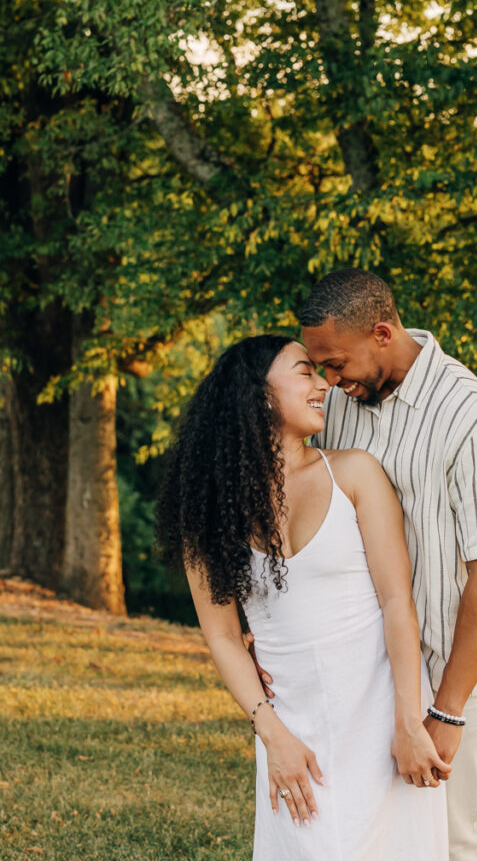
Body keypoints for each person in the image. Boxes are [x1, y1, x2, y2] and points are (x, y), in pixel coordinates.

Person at [155, 334, 449, 861]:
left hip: (380, 708)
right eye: (305, 372)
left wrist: (409, 722)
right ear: (257, 395)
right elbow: (222, 635)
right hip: (289, 716)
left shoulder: (355, 473)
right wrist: (273, 736)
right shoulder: (205, 506)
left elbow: (396, 605)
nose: (323, 386)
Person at [294, 269, 477, 861]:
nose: (328, 381)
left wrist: (447, 712)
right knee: (370, 836)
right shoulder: (343, 403)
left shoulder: (473, 419)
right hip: (367, 670)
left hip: (451, 672)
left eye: (336, 364)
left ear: (381, 332)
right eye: (319, 367)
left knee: (446, 842)